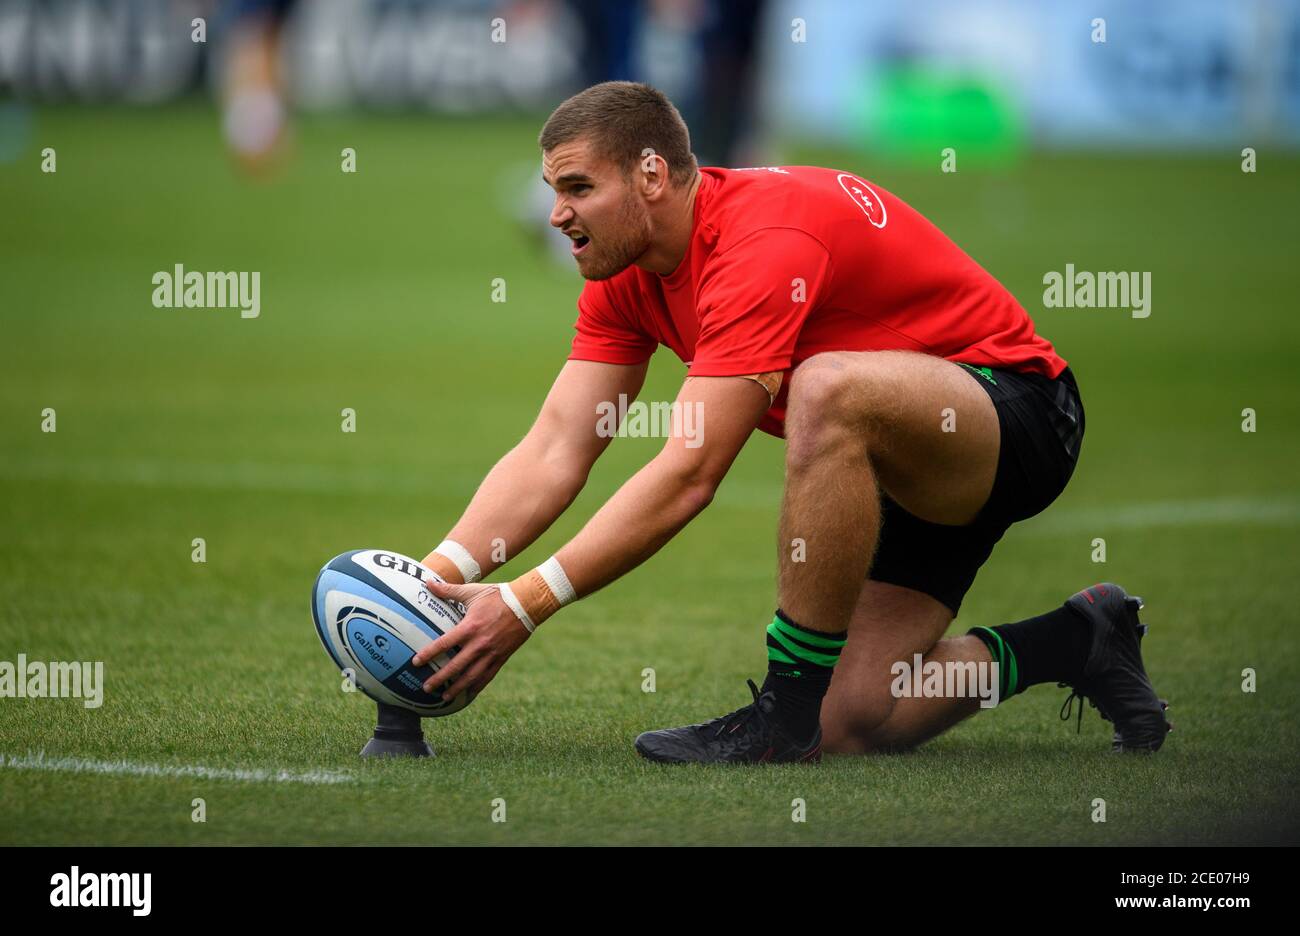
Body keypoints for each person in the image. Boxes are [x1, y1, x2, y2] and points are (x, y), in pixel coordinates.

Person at [412, 81, 1171, 763]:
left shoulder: (760, 242)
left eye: (577, 187)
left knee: (825, 387)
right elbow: (554, 448)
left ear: (650, 175)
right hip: (889, 456)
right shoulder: (627, 271)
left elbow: (691, 472)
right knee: (863, 718)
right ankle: (1079, 639)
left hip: (1017, 413)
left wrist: (525, 603)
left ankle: (782, 712)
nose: (555, 215)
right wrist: (429, 584)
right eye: (552, 189)